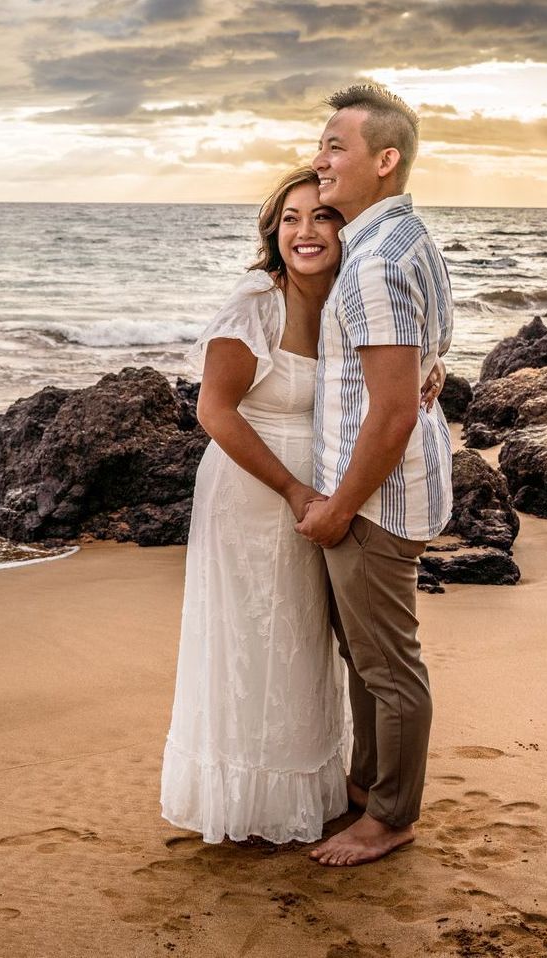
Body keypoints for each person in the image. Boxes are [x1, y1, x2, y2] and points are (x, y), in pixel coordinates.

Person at [159, 168, 352, 844]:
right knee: (249, 640)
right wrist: (295, 489)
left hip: (317, 495)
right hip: (249, 494)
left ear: (344, 227)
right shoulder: (254, 304)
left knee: (300, 638)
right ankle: (248, 801)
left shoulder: (344, 302)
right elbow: (214, 411)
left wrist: (431, 369)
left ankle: (305, 787)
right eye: (291, 218)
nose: (305, 232)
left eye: (322, 216)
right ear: (274, 231)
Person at [297, 83, 454, 867]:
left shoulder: (372, 263)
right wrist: (433, 369)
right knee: (368, 657)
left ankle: (391, 816)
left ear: (384, 160)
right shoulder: (407, 241)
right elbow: (432, 347)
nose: (319, 159)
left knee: (389, 667)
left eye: (336, 146)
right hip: (392, 491)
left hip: (378, 502)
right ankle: (366, 788)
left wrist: (337, 510)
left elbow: (390, 413)